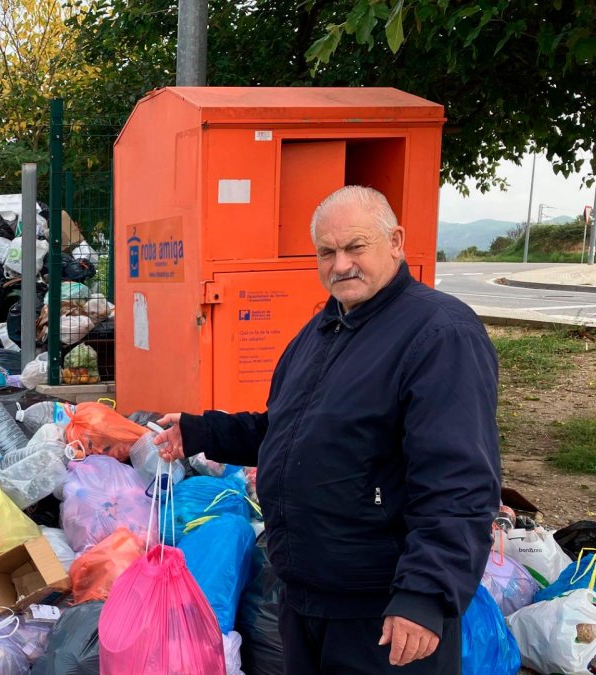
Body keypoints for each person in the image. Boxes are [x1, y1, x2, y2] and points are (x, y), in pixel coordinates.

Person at [155, 185, 500, 674]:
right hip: (307, 599)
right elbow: (287, 431)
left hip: (381, 613)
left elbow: (459, 482)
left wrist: (425, 594)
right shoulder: (323, 330)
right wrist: (201, 432)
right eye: (327, 252)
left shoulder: (440, 333)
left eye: (356, 247)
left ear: (396, 242)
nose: (341, 265)